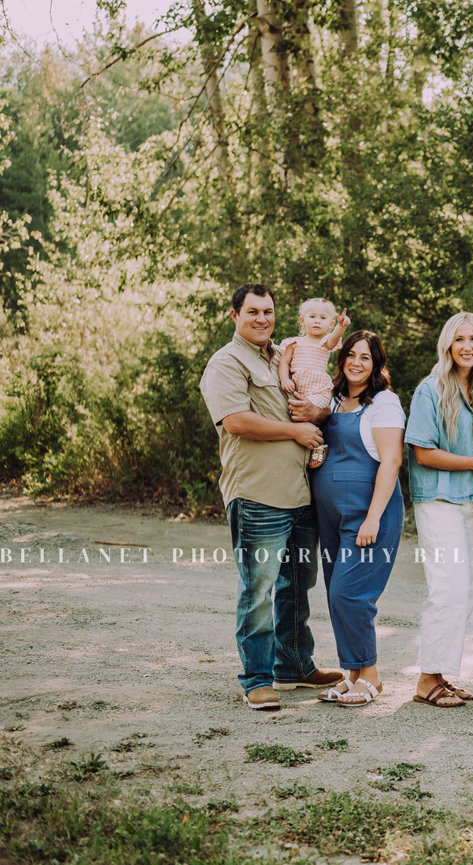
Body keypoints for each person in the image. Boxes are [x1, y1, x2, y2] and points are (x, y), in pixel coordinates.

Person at [199, 283, 343, 711]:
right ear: (235, 316)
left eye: (269, 311)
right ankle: (257, 680)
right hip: (258, 494)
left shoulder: (284, 355)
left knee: (297, 583)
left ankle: (295, 665)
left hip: (300, 492)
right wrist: (296, 431)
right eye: (253, 312)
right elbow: (237, 421)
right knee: (258, 587)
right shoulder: (226, 362)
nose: (262, 319)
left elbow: (317, 385)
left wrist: (316, 417)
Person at [405, 313, 473, 708]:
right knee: (446, 589)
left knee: (468, 588)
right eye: (460, 339)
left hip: (469, 503)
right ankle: (427, 679)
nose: (467, 346)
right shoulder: (431, 389)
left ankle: (441, 674)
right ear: (448, 344)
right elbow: (423, 453)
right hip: (438, 501)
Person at [312, 331, 405, 707]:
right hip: (332, 518)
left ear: (376, 364)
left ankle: (372, 675)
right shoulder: (332, 400)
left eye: (365, 357)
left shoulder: (384, 403)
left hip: (369, 516)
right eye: (351, 355)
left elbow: (392, 461)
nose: (356, 362)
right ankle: (352, 675)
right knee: (336, 596)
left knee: (350, 594)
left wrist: (372, 518)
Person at [278, 299, 350, 467]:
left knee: (310, 414)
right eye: (312, 316)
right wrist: (285, 379)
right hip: (298, 388)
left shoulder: (325, 343)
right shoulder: (294, 343)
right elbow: (284, 363)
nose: (317, 320)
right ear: (302, 320)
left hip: (319, 391)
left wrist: (342, 326)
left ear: (330, 324)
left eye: (323, 318)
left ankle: (318, 447)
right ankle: (305, 450)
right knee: (295, 417)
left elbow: (334, 338)